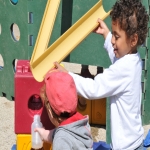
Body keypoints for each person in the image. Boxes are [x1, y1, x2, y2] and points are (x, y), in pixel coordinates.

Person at [53, 0, 149, 149]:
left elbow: (94, 88)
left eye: (116, 36)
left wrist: (68, 76)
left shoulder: (124, 68)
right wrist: (106, 33)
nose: (112, 40)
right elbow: (117, 58)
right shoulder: (133, 59)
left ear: (133, 39)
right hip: (134, 142)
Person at [35, 71, 93, 150]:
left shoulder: (61, 140)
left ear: (49, 110)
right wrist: (43, 133)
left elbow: (61, 137)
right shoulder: (80, 124)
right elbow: (58, 133)